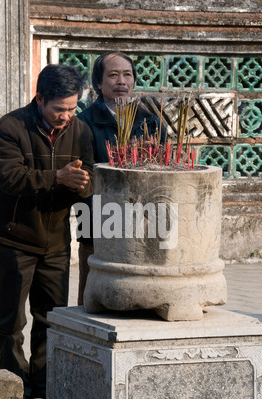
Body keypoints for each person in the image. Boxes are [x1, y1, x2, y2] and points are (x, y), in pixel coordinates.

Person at [0, 64, 94, 399]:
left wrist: (81, 185)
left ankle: (44, 391)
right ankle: (13, 391)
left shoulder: (81, 131)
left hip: (56, 243)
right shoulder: (10, 127)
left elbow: (87, 179)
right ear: (40, 99)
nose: (66, 115)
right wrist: (57, 178)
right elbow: (10, 179)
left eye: (72, 107)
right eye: (59, 108)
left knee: (51, 321)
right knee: (11, 324)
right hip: (15, 238)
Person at [77, 51, 165, 304]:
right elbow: (83, 177)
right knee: (94, 292)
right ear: (98, 83)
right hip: (98, 220)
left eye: (127, 75)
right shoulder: (83, 124)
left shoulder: (150, 122)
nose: (121, 82)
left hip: (144, 218)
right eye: (113, 75)